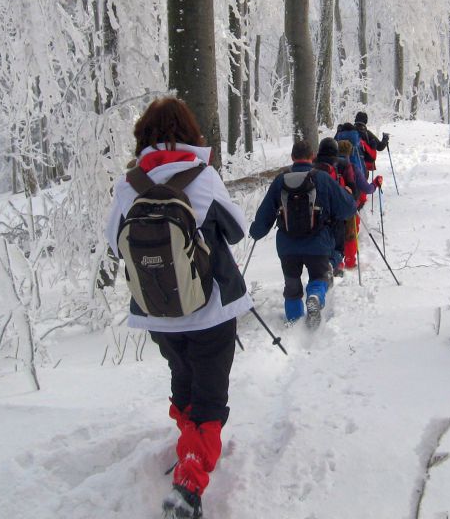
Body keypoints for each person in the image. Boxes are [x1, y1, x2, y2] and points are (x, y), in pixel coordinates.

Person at [104, 96, 251, 519]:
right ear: (189, 134)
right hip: (210, 311)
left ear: (144, 137)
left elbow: (116, 243)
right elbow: (237, 230)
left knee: (184, 380)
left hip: (156, 313)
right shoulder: (203, 177)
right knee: (210, 397)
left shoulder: (127, 185)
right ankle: (189, 481)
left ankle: (191, 445)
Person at [249, 139, 356, 325]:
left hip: (287, 246)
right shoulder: (322, 178)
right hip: (318, 244)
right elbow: (347, 209)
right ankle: (314, 295)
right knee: (319, 276)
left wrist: (256, 232)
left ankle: (294, 322)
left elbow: (265, 214)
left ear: (292, 157)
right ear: (312, 157)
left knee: (291, 285)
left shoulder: (280, 180)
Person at [336, 139, 383, 269]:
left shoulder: (330, 167)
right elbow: (367, 189)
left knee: (334, 232)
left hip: (332, 208)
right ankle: (350, 261)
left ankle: (337, 262)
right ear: (350, 152)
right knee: (351, 233)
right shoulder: (353, 168)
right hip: (351, 206)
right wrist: (376, 183)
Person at [312, 137, 348, 276]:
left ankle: (327, 266)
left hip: (312, 215)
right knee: (338, 245)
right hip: (333, 216)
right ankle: (333, 265)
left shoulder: (312, 167)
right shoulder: (337, 169)